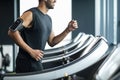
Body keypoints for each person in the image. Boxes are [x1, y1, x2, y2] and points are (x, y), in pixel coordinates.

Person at [8, 0, 78, 73]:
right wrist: (31, 51)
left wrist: (67, 30)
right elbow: (12, 31)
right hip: (26, 64)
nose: (55, 1)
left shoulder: (48, 19)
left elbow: (52, 41)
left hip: (37, 63)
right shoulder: (30, 14)